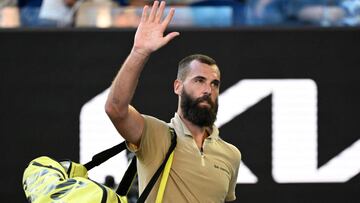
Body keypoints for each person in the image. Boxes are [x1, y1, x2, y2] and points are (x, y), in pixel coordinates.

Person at [105, 1, 241, 202]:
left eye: (214, 84)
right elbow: (115, 109)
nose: (207, 90)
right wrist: (139, 51)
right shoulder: (155, 135)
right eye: (199, 81)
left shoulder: (231, 155)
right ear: (178, 86)